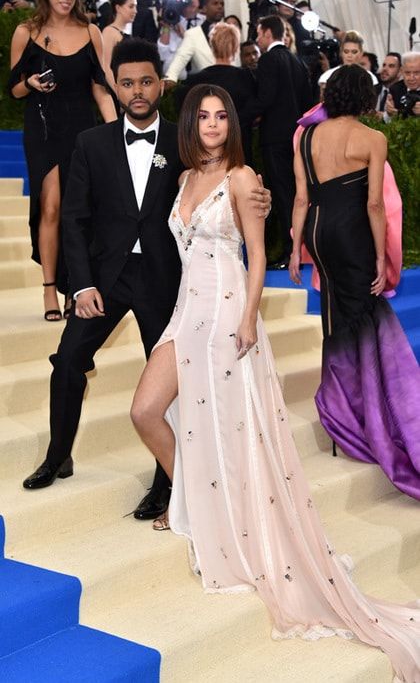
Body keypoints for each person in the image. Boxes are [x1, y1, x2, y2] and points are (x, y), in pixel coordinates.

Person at [130, 81, 420, 681]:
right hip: (187, 312)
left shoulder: (242, 179)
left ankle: (216, 509)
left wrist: (248, 319)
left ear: (230, 125)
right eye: (202, 116)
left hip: (228, 315)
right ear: (190, 125)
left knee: (232, 429)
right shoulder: (185, 181)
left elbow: (256, 255)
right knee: (144, 411)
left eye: (220, 116)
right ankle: (196, 497)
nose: (212, 124)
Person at [21, 38, 271, 520]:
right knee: (68, 358)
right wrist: (82, 285)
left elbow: (229, 187)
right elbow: (74, 218)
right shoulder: (91, 143)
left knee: (167, 386)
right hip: (105, 278)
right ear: (115, 86)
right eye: (128, 82)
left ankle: (165, 484)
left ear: (162, 84)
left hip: (167, 282)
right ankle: (58, 455)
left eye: (146, 82)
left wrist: (263, 202)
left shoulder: (187, 139)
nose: (137, 91)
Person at [289, 64, 420, 500]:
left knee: (335, 316)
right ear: (364, 97)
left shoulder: (305, 136)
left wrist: (295, 252)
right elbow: (375, 205)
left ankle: (339, 409)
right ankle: (357, 412)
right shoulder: (372, 138)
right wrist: (382, 257)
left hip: (318, 234)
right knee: (362, 315)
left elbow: (303, 197)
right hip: (352, 233)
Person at [9, 0, 116, 321]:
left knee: (79, 210)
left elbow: (100, 88)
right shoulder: (26, 32)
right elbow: (13, 88)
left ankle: (77, 287)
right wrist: (31, 84)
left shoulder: (91, 31)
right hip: (42, 129)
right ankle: (49, 289)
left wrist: (116, 132)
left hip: (82, 131)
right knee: (51, 206)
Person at [243, 14, 312, 269]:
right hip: (295, 138)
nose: (257, 39)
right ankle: (301, 249)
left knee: (283, 195)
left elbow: (265, 98)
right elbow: (308, 101)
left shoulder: (269, 61)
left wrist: (239, 116)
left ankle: (288, 251)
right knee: (296, 193)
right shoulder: (298, 61)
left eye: (259, 34)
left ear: (268, 33)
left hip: (274, 139)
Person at [174, 22, 256, 165]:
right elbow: (254, 111)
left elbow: (183, 112)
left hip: (203, 151)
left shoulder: (194, 80)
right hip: (240, 148)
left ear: (211, 46)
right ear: (236, 47)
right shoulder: (246, 78)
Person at [164, 0, 224, 85]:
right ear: (204, 8)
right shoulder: (193, 34)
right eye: (215, 4)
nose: (220, 7)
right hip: (205, 84)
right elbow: (180, 58)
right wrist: (170, 78)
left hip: (229, 84)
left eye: (222, 4)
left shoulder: (231, 32)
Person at [157, 0, 204, 81]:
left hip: (201, 75)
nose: (190, 0)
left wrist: (184, 35)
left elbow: (204, 53)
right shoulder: (173, 20)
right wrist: (166, 26)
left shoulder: (205, 23)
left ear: (199, 0)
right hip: (176, 78)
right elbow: (162, 54)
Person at [318, 30, 378, 99]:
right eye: (346, 51)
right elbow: (322, 104)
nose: (349, 55)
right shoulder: (327, 76)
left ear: (361, 53)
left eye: (354, 52)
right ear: (341, 53)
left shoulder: (371, 78)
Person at [102, 0, 136, 89]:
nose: (135, 11)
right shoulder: (109, 32)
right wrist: (117, 91)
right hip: (117, 91)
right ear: (118, 8)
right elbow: (105, 67)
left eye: (135, 7)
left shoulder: (126, 34)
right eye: (131, 6)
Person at [385, 51, 420, 120]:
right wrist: (389, 114)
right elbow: (386, 122)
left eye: (416, 73)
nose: (411, 78)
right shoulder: (395, 89)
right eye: (407, 73)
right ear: (401, 71)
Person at [376, 52, 401, 117]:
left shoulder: (403, 93)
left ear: (400, 71)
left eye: (391, 66)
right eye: (384, 65)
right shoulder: (372, 89)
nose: (385, 69)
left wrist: (387, 116)